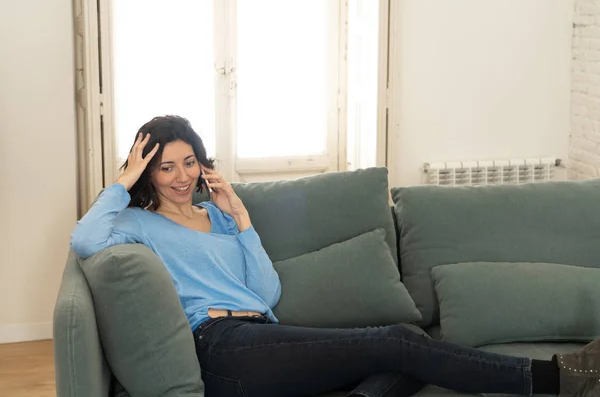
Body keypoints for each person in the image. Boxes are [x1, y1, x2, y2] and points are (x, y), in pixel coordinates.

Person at [71, 115, 600, 397]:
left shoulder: (221, 218)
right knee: (396, 341)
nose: (182, 176)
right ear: (148, 173)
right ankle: (554, 380)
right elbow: (85, 240)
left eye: (189, 162)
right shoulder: (137, 223)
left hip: (256, 336)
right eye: (166, 167)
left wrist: (242, 218)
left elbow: (267, 293)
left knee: (411, 340)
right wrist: (123, 181)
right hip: (220, 349)